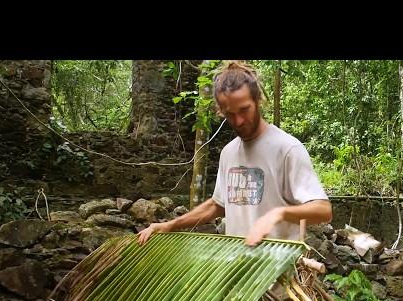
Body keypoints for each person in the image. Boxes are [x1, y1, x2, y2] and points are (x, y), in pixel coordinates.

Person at [137, 60, 332, 247]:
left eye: (244, 110)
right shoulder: (228, 153)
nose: (238, 121)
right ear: (220, 111)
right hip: (239, 273)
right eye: (230, 114)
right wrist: (170, 225)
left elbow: (323, 210)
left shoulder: (287, 148)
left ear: (257, 101)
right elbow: (218, 205)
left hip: (277, 275)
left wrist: (278, 213)